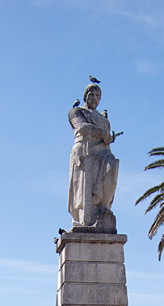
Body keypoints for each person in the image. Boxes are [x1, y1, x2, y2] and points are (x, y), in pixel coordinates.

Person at [68, 83, 119, 228]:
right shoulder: (76, 112)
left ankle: (104, 209)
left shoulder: (104, 120)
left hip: (103, 151)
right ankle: (85, 217)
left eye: (97, 95)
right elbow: (82, 127)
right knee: (83, 189)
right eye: (91, 94)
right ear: (85, 96)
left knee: (112, 166)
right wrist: (102, 134)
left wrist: (108, 139)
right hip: (84, 149)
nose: (94, 98)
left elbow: (107, 140)